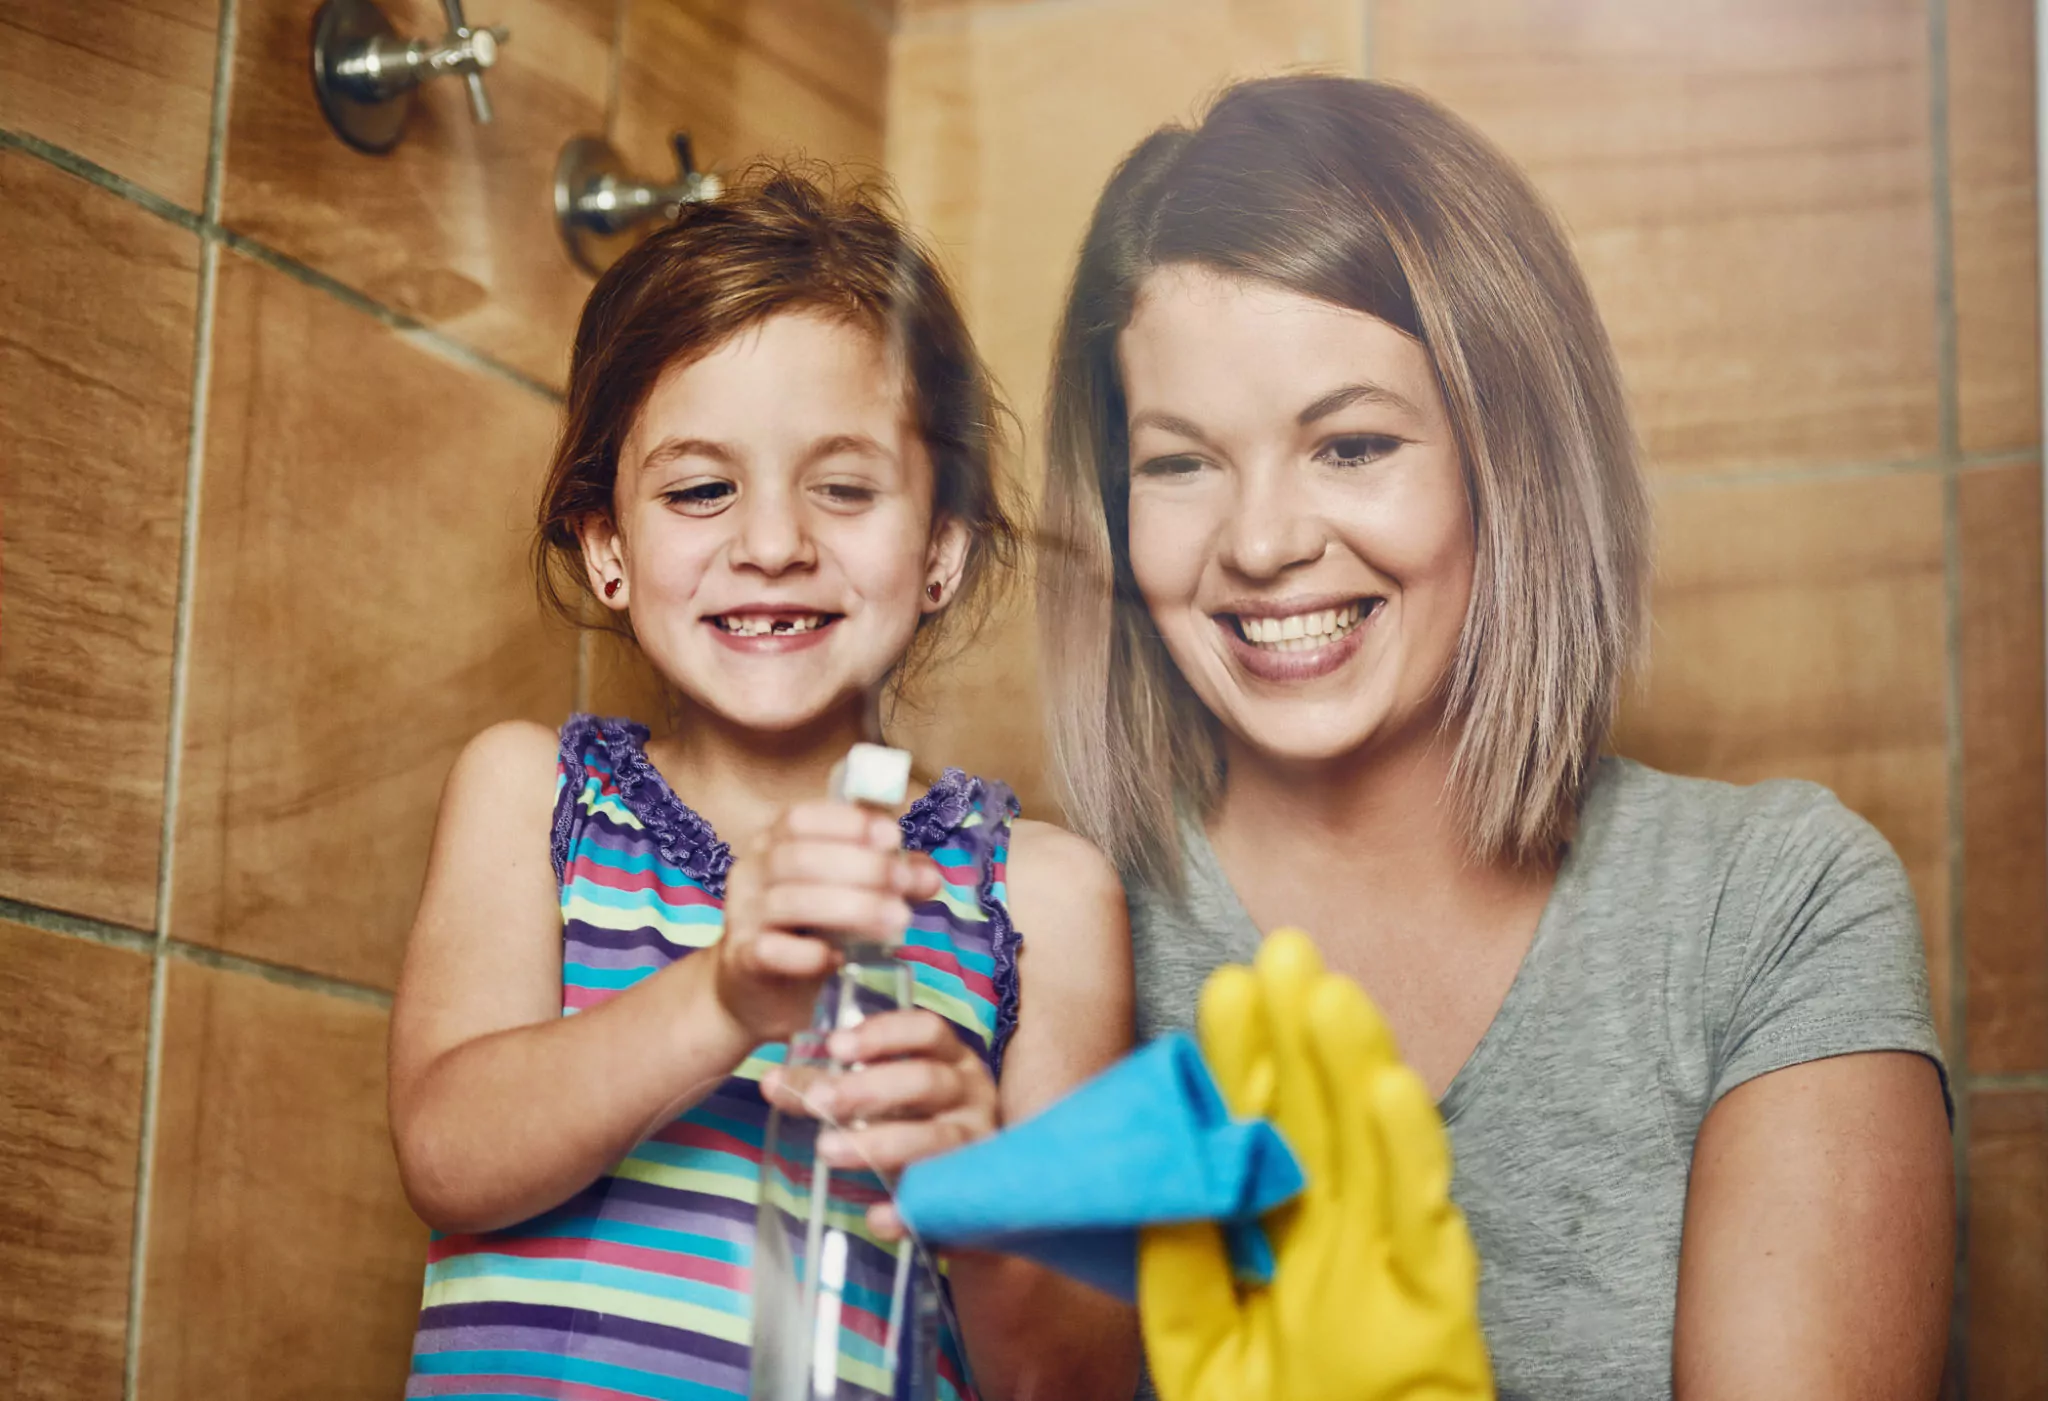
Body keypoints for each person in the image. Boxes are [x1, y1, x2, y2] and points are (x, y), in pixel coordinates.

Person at [1041, 75, 1952, 1400]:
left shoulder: (1775, 907)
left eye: (1350, 445)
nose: (1260, 542)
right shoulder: (1039, 934)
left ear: (1508, 454)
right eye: (1180, 462)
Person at [389, 167, 1138, 1401]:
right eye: (699, 490)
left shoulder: (1040, 901)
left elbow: (1081, 1382)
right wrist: (722, 996)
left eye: (843, 488)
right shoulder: (535, 799)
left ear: (942, 545)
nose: (775, 542)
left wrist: (976, 1199)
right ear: (608, 548)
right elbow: (447, 1151)